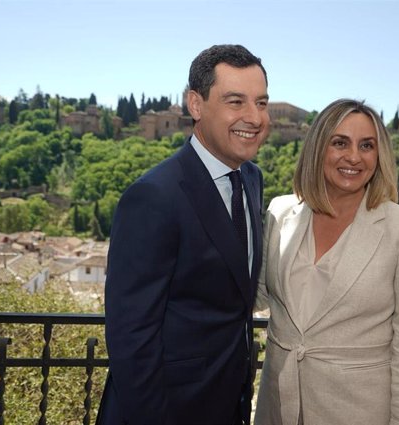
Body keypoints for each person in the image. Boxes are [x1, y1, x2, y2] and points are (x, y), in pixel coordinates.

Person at [96, 44, 269, 425]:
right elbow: (132, 338)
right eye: (236, 101)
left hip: (227, 406)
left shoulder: (252, 180)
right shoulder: (153, 196)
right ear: (195, 104)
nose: (254, 117)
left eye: (261, 102)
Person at [254, 99, 399, 425]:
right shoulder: (280, 213)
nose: (353, 156)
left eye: (367, 145)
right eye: (340, 143)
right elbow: (255, 295)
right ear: (318, 148)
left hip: (357, 412)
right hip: (277, 407)